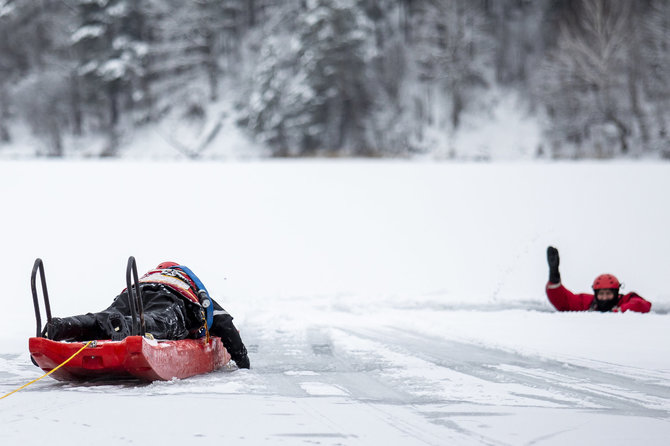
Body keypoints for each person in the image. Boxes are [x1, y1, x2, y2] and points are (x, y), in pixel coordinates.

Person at [43, 262, 250, 369]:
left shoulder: (151, 275)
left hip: (133, 293)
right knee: (160, 322)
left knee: (105, 316)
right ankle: (127, 326)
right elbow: (223, 322)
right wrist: (243, 361)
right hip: (171, 297)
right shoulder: (191, 285)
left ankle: (63, 326)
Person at [545, 246, 651, 313]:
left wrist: (618, 311)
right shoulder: (588, 303)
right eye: (601, 293)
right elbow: (565, 302)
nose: (604, 297)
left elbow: (642, 305)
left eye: (608, 293)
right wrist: (554, 277)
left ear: (617, 292)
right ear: (595, 293)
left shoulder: (625, 300)